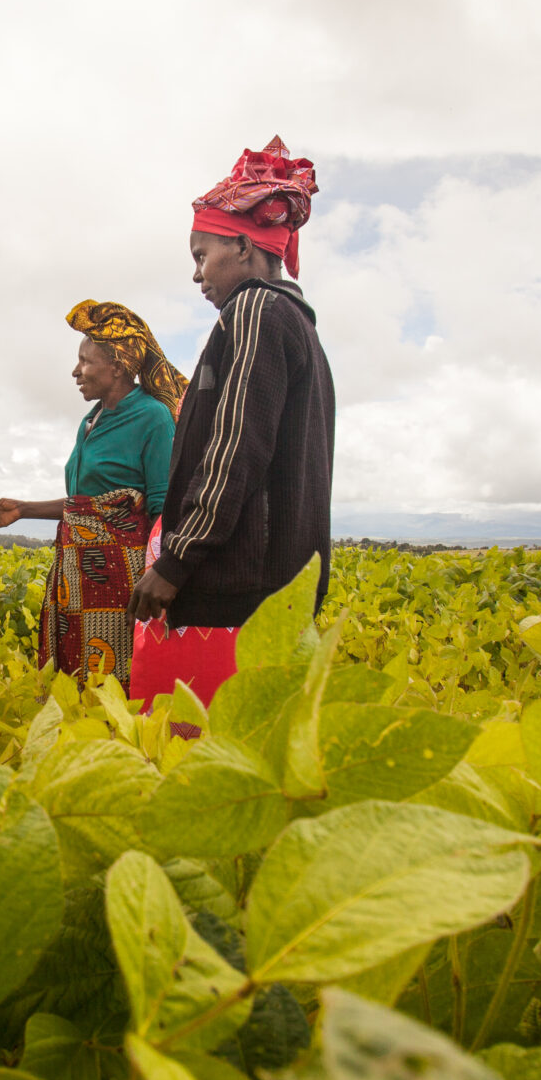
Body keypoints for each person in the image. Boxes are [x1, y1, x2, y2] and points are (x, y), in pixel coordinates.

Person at [126, 136, 334, 708]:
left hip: (246, 582)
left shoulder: (256, 310)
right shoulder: (297, 325)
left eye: (201, 255)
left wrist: (177, 558)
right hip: (279, 581)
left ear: (243, 247)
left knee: (215, 739)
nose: (197, 275)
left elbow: (236, 445)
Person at [0, 301, 184, 689]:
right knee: (74, 680)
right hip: (75, 576)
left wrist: (161, 577)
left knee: (115, 683)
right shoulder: (90, 420)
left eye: (85, 361)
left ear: (118, 367)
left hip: (123, 582)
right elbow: (84, 505)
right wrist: (22, 509)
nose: (76, 371)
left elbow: (163, 507)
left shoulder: (152, 416)